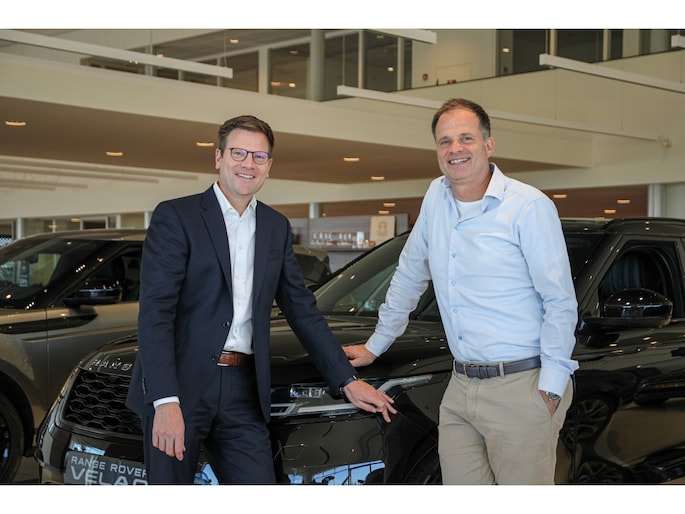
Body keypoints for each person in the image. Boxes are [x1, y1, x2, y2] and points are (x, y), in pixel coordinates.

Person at [126, 114, 396, 484]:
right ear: (219, 157)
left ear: (269, 165)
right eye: (238, 153)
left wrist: (346, 379)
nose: (248, 164)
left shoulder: (275, 226)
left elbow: (301, 308)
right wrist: (165, 400)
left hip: (244, 389)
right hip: (181, 385)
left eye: (259, 156)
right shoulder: (177, 216)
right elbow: (156, 313)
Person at [344, 98, 578, 485]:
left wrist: (550, 389)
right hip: (461, 386)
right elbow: (409, 273)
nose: (455, 149)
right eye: (445, 141)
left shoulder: (528, 207)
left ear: (488, 144)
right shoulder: (436, 197)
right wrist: (376, 345)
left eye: (466, 138)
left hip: (522, 385)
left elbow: (559, 300)